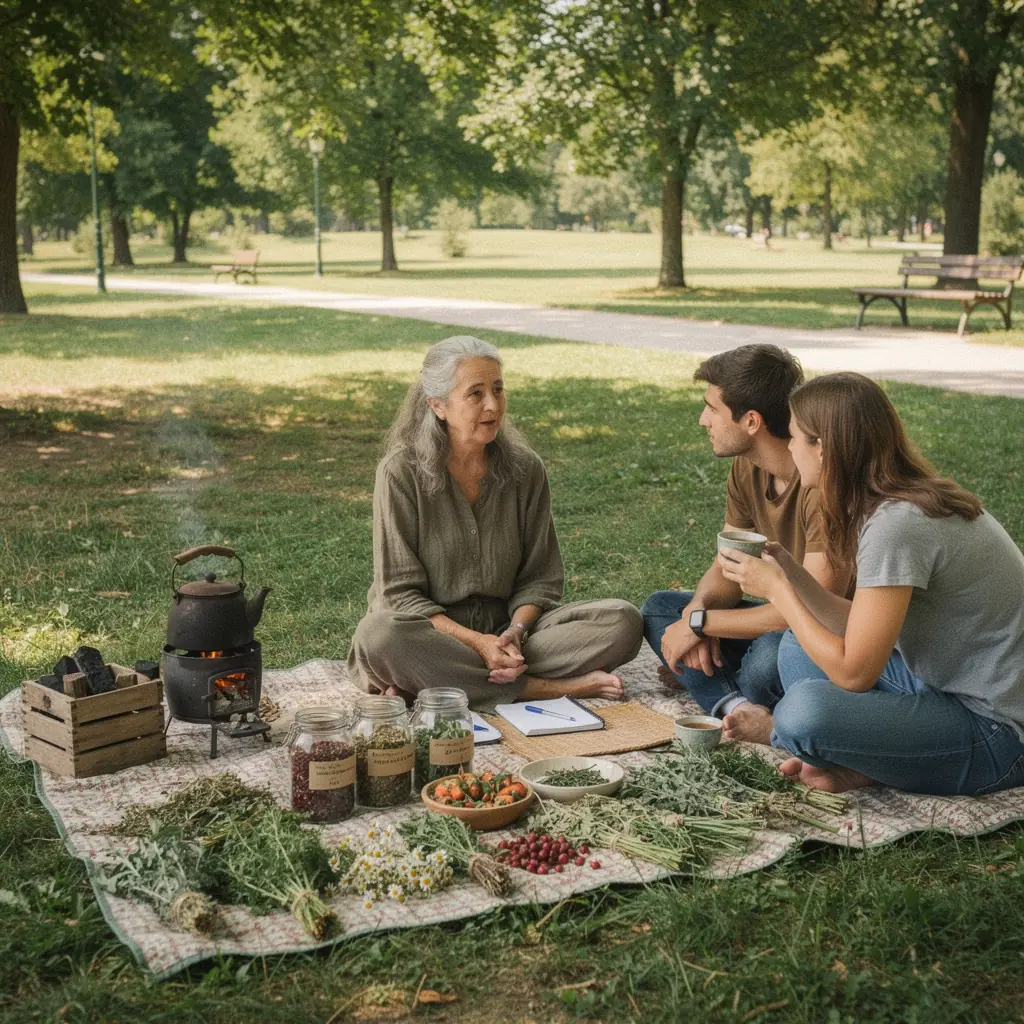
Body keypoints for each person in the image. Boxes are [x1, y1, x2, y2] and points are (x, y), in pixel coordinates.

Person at [718, 372, 1024, 795]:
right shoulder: (891, 506)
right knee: (795, 646)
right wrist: (790, 571)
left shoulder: (897, 526)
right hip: (940, 685)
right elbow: (857, 625)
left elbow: (855, 674)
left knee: (801, 714)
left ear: (821, 448)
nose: (788, 448)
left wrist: (778, 592)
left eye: (793, 437)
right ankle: (875, 760)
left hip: (999, 730)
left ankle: (824, 743)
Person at [348, 335, 643, 707]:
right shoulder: (400, 473)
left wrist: (514, 634)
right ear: (438, 405)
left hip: (511, 634)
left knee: (623, 622)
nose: (493, 405)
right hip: (430, 633)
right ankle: (542, 688)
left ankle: (434, 682)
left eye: (498, 389)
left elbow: (540, 578)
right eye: (475, 393)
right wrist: (476, 643)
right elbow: (399, 595)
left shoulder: (525, 469)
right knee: (378, 637)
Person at [640, 345, 850, 742]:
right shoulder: (746, 468)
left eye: (712, 409)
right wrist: (697, 610)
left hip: (821, 635)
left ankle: (716, 684)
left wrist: (700, 625)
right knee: (659, 611)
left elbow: (809, 611)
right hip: (772, 617)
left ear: (751, 421)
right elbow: (727, 567)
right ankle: (736, 707)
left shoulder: (821, 484)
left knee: (766, 663)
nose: (703, 420)